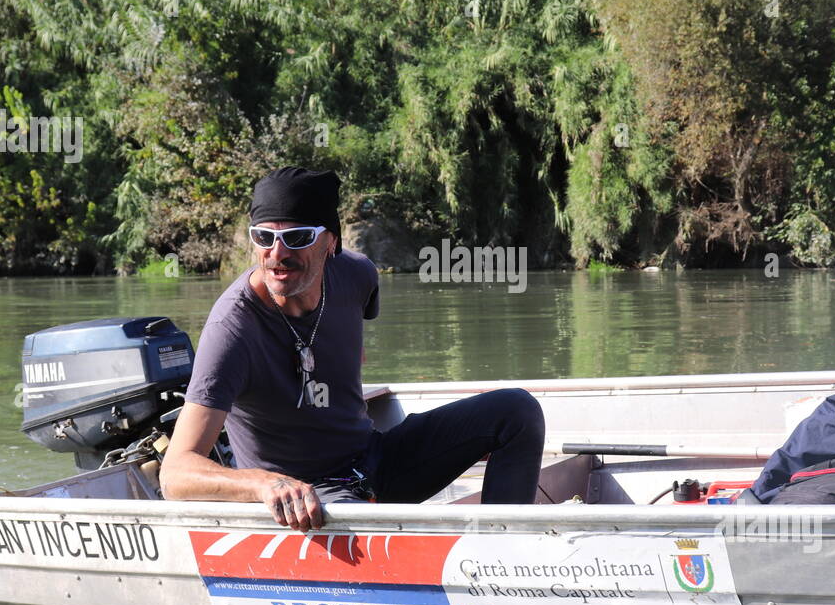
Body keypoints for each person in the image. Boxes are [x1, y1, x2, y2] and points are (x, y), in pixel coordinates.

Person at [159, 166, 545, 530]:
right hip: (309, 497)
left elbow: (348, 349)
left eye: (297, 238)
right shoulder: (232, 329)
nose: (277, 254)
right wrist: (264, 484)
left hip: (376, 462)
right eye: (264, 237)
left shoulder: (358, 275)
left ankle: (503, 547)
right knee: (378, 534)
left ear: (331, 242)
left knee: (516, 410)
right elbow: (176, 474)